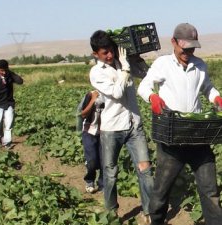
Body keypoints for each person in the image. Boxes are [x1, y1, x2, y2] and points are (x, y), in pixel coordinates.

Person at [138, 23, 222, 225]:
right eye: (185, 48)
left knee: (210, 190)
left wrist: (217, 98)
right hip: (172, 137)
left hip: (198, 137)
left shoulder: (200, 65)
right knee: (161, 191)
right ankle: (156, 221)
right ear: (174, 42)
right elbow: (144, 86)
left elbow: (208, 88)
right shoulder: (163, 64)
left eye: (192, 48)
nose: (188, 52)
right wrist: (152, 97)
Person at [89, 30, 154, 223]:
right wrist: (125, 70)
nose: (109, 55)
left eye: (111, 50)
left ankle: (149, 211)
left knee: (146, 170)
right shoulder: (97, 72)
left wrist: (135, 59)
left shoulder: (122, 61)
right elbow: (117, 93)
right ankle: (111, 211)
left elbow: (146, 74)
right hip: (111, 129)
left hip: (134, 125)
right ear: (96, 54)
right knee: (110, 173)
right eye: (104, 53)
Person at [80, 90, 104, 193]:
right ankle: (89, 181)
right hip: (89, 132)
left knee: (105, 160)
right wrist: (93, 99)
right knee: (92, 161)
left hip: (104, 132)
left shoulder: (110, 94)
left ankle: (102, 184)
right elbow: (83, 114)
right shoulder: (90, 95)